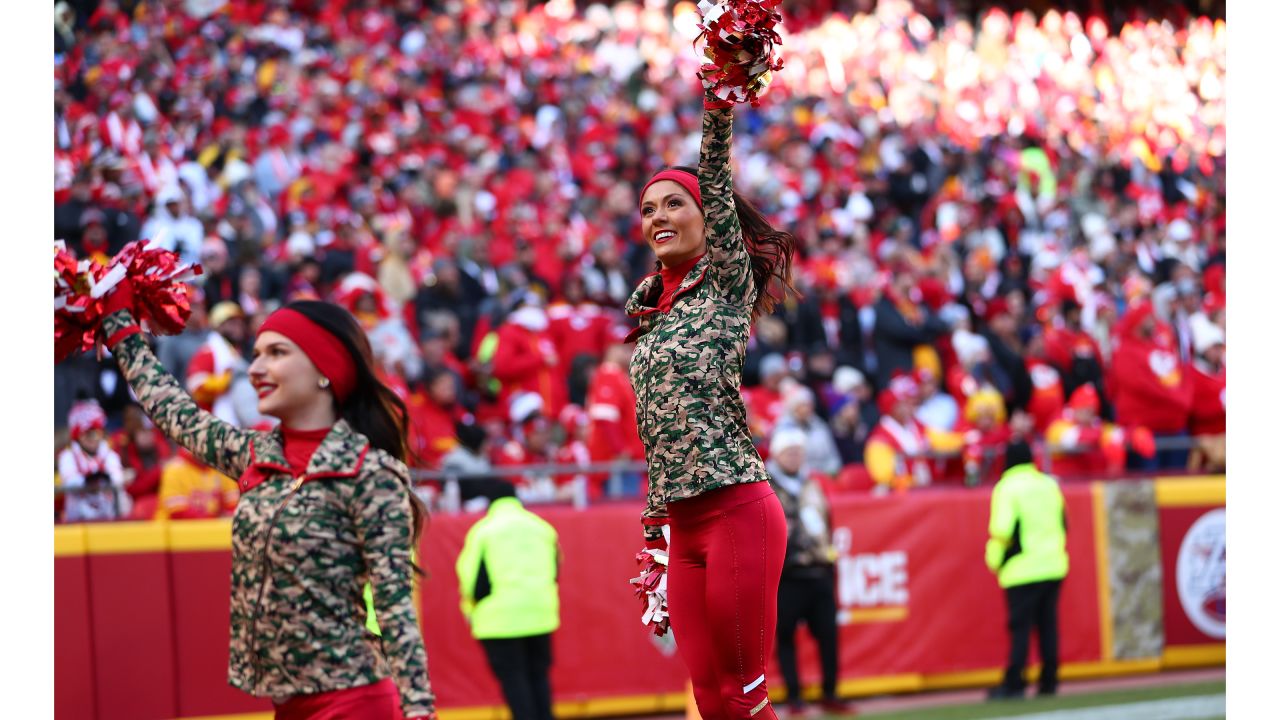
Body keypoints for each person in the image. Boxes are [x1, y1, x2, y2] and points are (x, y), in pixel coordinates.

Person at [97, 287, 436, 720]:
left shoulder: (371, 475)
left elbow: (395, 609)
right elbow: (173, 411)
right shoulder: (254, 454)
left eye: (276, 353)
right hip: (287, 705)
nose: (255, 368)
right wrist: (120, 327)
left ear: (324, 370)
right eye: (255, 354)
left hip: (354, 700)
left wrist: (421, 710)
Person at [624, 79, 798, 720]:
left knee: (745, 697)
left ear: (708, 220)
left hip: (736, 513)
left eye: (674, 204)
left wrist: (720, 98)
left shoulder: (723, 286)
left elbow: (716, 174)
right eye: (648, 210)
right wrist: (656, 533)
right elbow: (658, 437)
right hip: (683, 522)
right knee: (709, 700)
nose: (658, 217)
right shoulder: (651, 315)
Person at [765, 429, 855, 718]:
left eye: (798, 451)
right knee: (787, 636)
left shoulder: (812, 484)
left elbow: (826, 521)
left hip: (817, 570)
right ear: (777, 454)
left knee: (828, 633)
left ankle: (830, 692)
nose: (794, 456)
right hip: (787, 574)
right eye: (789, 451)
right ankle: (795, 696)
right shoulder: (767, 486)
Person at [456, 479, 561, 720]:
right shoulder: (541, 527)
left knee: (515, 682)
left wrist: (470, 611)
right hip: (540, 614)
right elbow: (556, 570)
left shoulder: (483, 530)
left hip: (498, 620)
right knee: (539, 677)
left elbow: (470, 578)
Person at [984, 440, 1069, 700]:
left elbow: (1002, 530)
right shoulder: (1048, 484)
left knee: (1020, 627)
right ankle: (1049, 680)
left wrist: (994, 560)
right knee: (1048, 625)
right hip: (1054, 564)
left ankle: (1015, 682)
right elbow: (1064, 522)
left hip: (1022, 568)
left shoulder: (1007, 488)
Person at [58, 399, 130, 522]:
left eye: (96, 433)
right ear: (78, 436)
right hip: (78, 521)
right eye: (87, 434)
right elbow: (70, 482)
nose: (93, 438)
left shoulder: (109, 455)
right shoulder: (68, 456)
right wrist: (91, 480)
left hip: (109, 519)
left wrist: (102, 478)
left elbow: (116, 478)